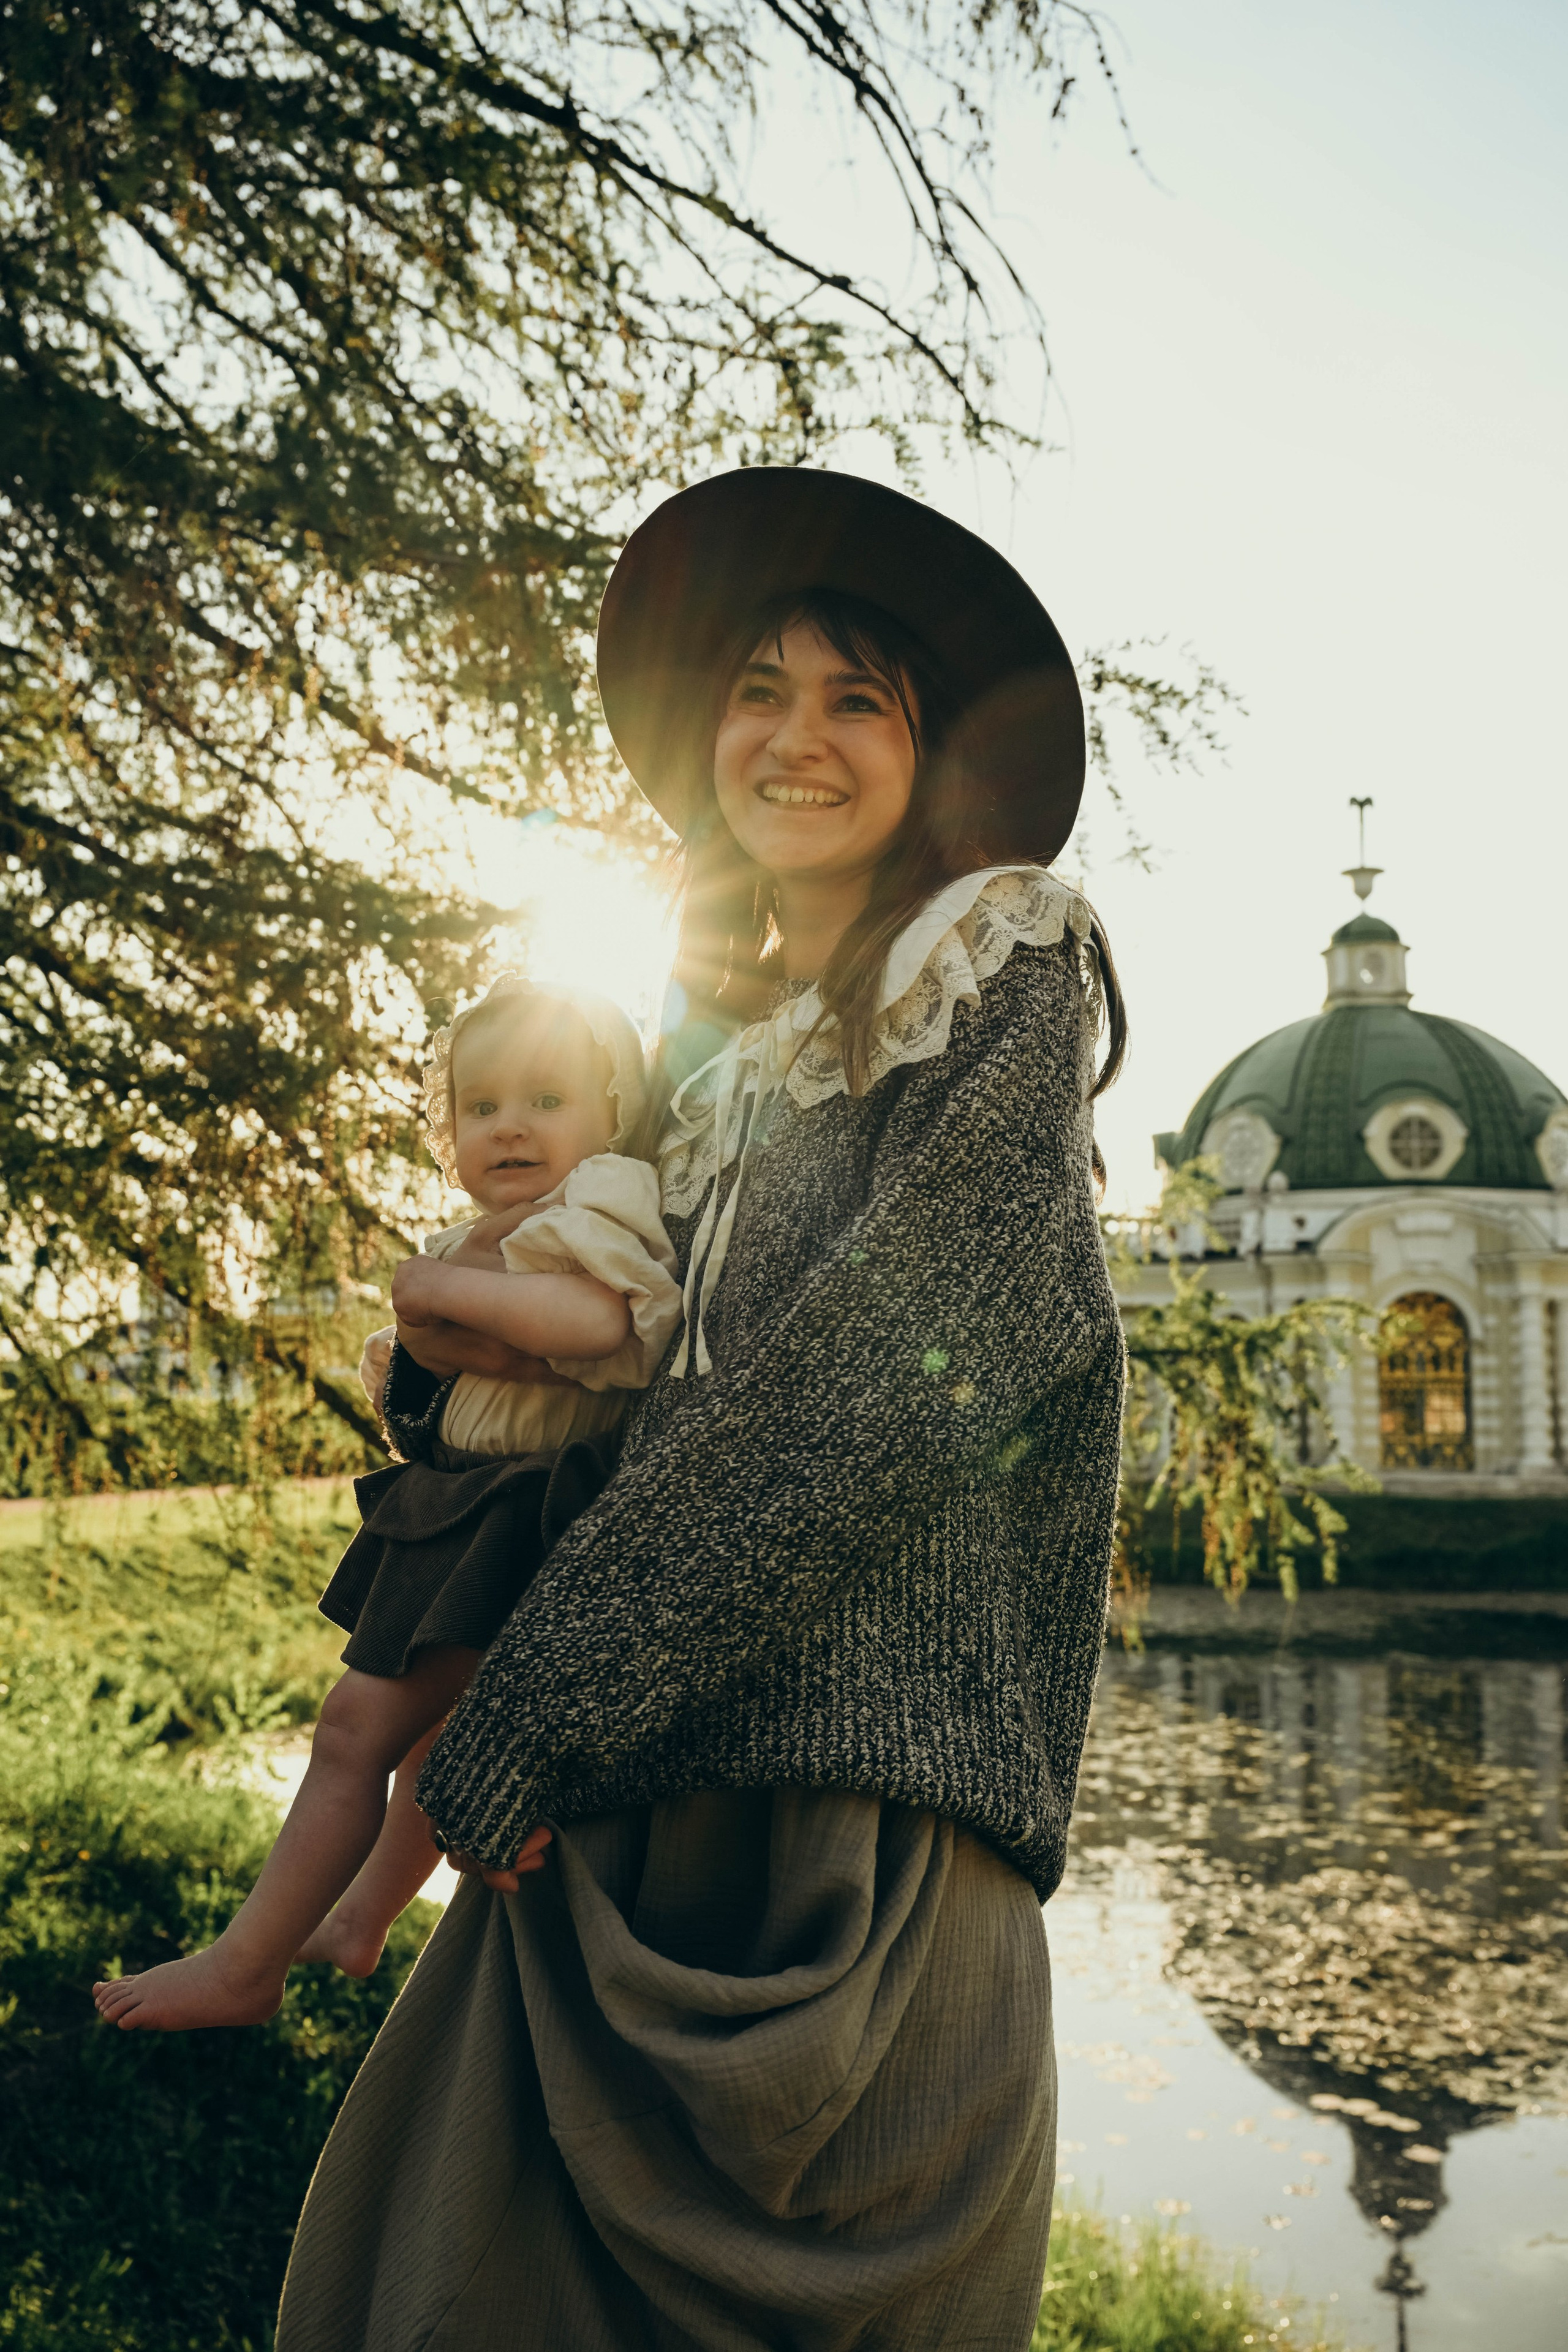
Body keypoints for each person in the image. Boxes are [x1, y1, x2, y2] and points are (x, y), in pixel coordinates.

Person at [276, 468, 1127, 2352]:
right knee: (416, 2291)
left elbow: (929, 1359)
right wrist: (437, 1354)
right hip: (610, 1803)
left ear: (928, 753)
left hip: (863, 1836)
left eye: (856, 699)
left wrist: (546, 1696)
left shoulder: (993, 956)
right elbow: (610, 1387)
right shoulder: (711, 1076)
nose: (793, 736)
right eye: (757, 688)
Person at [92, 981, 681, 2033]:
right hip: (468, 1498)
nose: (509, 1124)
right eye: (482, 1104)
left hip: (519, 1513)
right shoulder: (498, 1226)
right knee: (424, 1739)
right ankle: (360, 1918)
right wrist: (428, 1329)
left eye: (547, 1097)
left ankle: (246, 1965)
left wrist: (439, 1294)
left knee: (352, 1730)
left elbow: (600, 1322)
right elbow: (467, 1359)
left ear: (611, 1112)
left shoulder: (599, 1201)